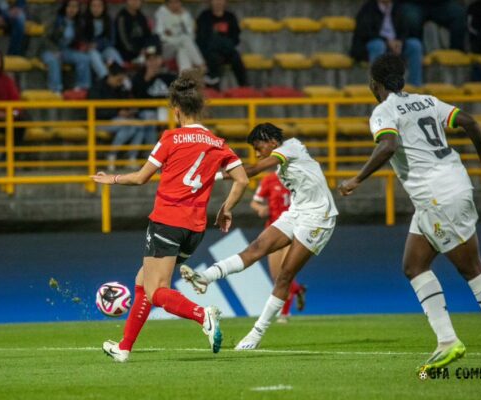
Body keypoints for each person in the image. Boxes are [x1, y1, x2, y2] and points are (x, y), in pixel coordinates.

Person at [338, 54, 481, 371]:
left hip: (438, 195)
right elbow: (468, 121)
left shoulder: (383, 111)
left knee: (472, 267)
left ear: (375, 84)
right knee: (414, 265)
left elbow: (387, 146)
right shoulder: (426, 100)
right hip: (448, 187)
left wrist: (357, 178)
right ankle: (447, 340)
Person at [91, 70, 249, 362]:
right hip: (195, 228)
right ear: (199, 108)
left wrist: (111, 179)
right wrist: (226, 208)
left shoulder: (171, 138)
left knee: (156, 290)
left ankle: (203, 315)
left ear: (176, 110)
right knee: (143, 280)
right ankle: (124, 348)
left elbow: (140, 178)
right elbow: (242, 180)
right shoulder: (217, 143)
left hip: (166, 221)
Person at [180, 123, 338, 350]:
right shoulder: (284, 161)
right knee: (255, 248)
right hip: (297, 212)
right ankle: (205, 277)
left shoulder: (290, 148)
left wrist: (208, 178)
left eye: (258, 147)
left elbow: (252, 170)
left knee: (285, 275)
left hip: (318, 218)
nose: (257, 152)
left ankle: (256, 334)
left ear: (272, 141)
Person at [250, 172, 307, 323]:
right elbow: (255, 202)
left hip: (294, 231)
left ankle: (285, 313)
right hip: (274, 232)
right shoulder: (269, 179)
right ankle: (298, 289)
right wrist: (261, 208)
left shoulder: (299, 177)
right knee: (276, 277)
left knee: (285, 272)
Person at [351, 0, 423, 86]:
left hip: (395, 45)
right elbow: (365, 32)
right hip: (372, 46)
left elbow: (405, 29)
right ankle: (377, 86)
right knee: (378, 45)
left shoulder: (398, 8)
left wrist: (400, 41)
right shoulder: (368, 8)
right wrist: (386, 41)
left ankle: (415, 85)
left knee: (415, 45)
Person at [88, 63, 143, 170]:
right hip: (99, 122)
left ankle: (130, 158)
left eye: (122, 80)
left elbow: (126, 104)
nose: (120, 83)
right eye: (118, 80)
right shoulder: (97, 88)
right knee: (129, 125)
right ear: (110, 76)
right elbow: (97, 112)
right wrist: (117, 113)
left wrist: (129, 111)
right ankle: (112, 155)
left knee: (139, 127)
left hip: (120, 121)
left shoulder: (121, 88)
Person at [40, 0, 92, 93]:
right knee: (53, 60)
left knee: (84, 58)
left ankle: (82, 87)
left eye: (75, 7)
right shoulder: (56, 19)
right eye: (70, 6)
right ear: (65, 7)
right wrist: (54, 50)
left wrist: (83, 46)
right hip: (48, 49)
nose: (72, 9)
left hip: (66, 51)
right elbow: (45, 38)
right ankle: (56, 89)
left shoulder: (79, 22)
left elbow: (79, 40)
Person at [132, 44, 177, 145]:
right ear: (146, 62)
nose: (153, 62)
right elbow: (137, 98)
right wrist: (147, 79)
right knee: (149, 119)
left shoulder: (169, 77)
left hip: (167, 111)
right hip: (148, 112)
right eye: (150, 60)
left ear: (160, 60)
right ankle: (151, 155)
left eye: (155, 59)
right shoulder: (139, 77)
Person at [196, 0, 247, 88]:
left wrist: (223, 44)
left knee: (236, 58)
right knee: (213, 58)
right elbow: (201, 38)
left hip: (227, 50)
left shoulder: (230, 17)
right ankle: (214, 89)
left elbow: (235, 38)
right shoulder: (204, 16)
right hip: (210, 51)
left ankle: (244, 86)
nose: (218, 2)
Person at [155, 0, 206, 74]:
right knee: (184, 39)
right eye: (171, 2)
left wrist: (183, 17)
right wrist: (171, 37)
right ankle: (201, 64)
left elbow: (191, 35)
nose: (174, 5)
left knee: (182, 50)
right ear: (167, 4)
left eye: (176, 2)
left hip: (181, 44)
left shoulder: (185, 14)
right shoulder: (161, 13)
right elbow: (158, 35)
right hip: (165, 48)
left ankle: (185, 80)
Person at [83, 0, 125, 78]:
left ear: (103, 7)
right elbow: (81, 38)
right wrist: (88, 45)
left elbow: (112, 41)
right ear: (89, 7)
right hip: (90, 50)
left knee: (113, 53)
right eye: (93, 6)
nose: (96, 9)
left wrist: (98, 44)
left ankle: (123, 78)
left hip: (105, 48)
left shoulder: (108, 20)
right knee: (93, 55)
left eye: (99, 6)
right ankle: (105, 79)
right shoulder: (84, 20)